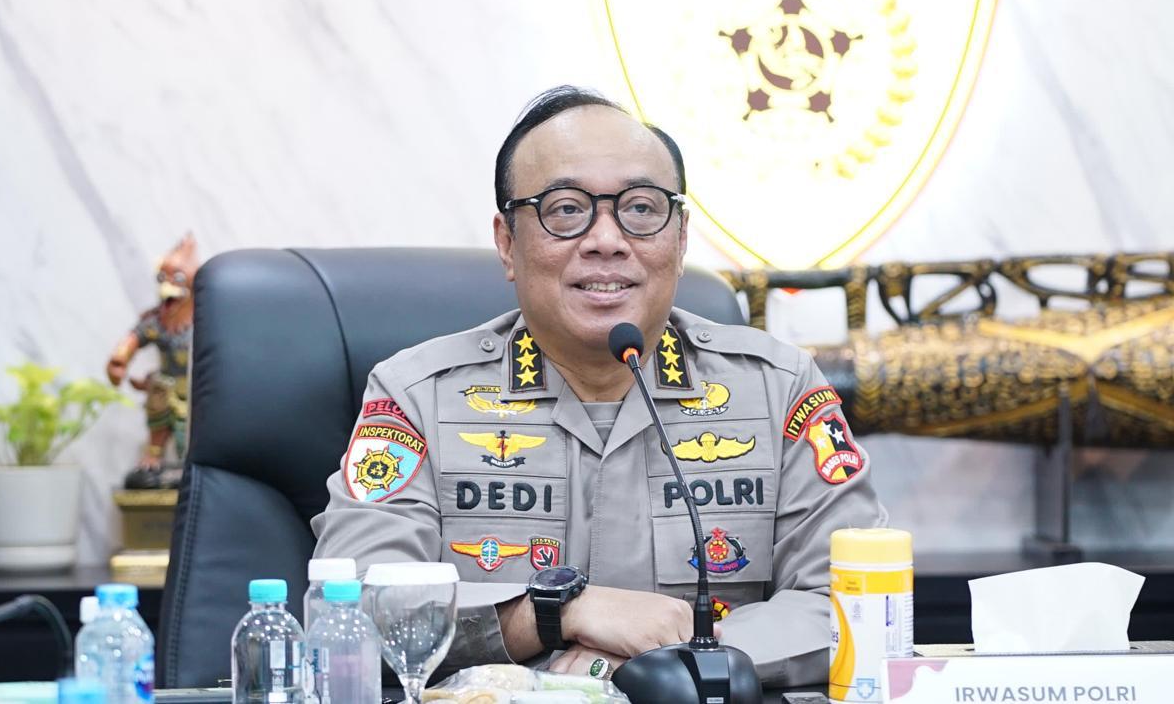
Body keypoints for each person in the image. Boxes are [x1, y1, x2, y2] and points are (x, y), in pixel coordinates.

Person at [311, 86, 886, 687]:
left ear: (680, 240)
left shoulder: (776, 389)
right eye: (565, 209)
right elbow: (352, 607)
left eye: (640, 208)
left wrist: (675, 662)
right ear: (507, 244)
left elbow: (855, 600)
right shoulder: (417, 397)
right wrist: (551, 615)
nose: (607, 239)